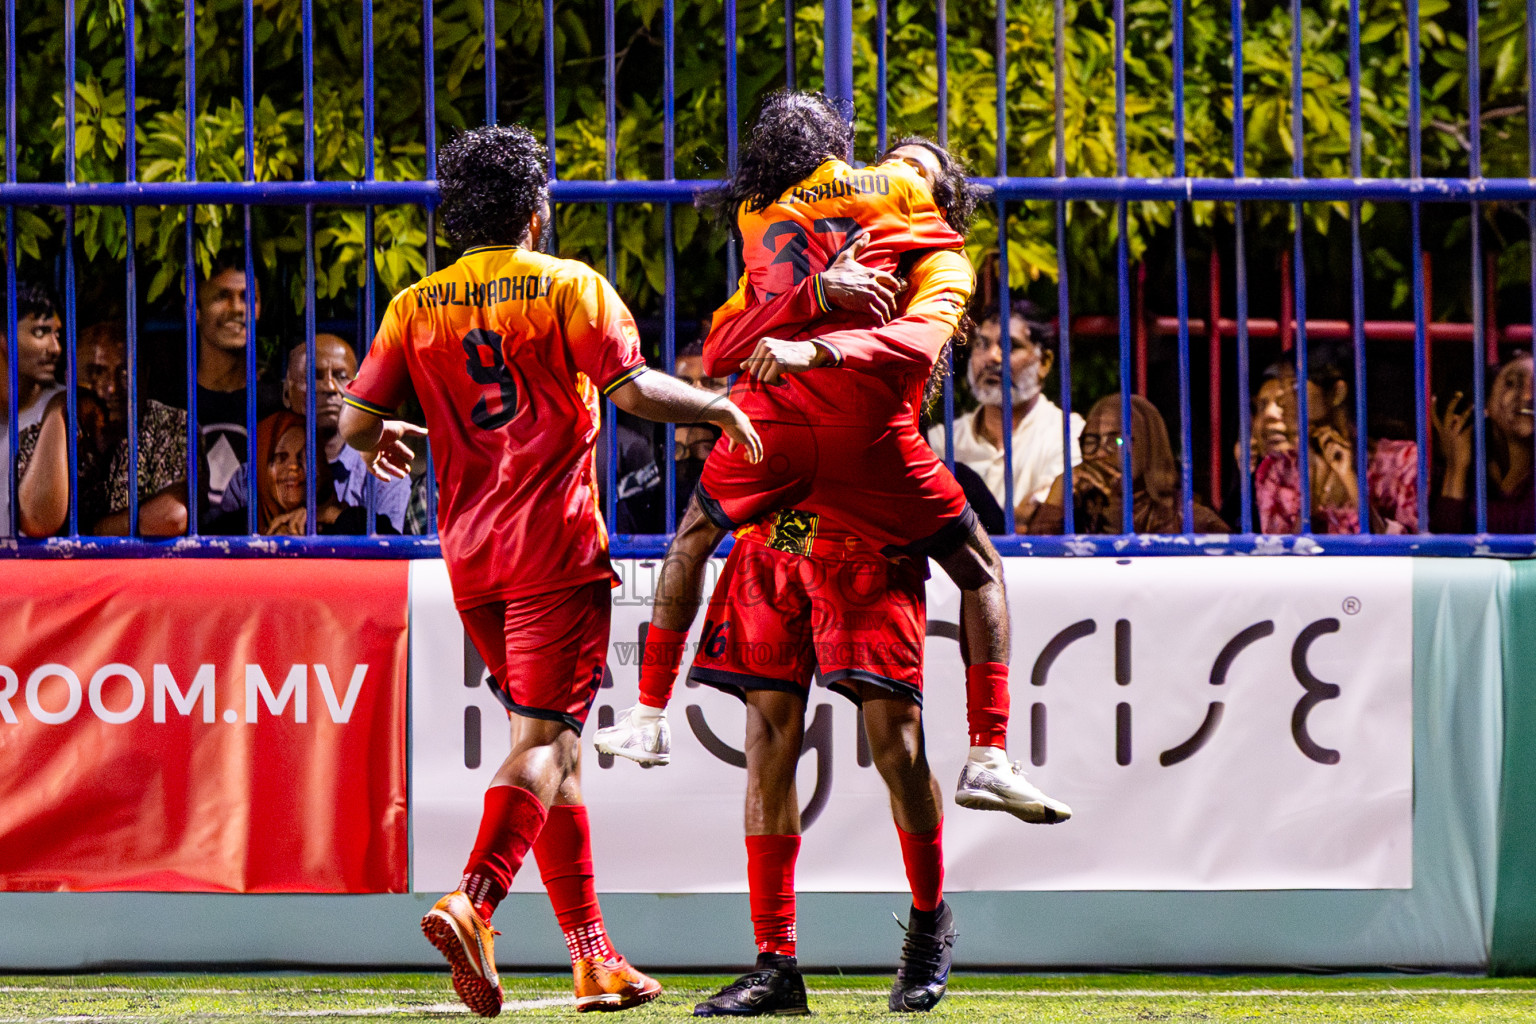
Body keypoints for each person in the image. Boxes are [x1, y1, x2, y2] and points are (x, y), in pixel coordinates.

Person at [337, 124, 761, 1018]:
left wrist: (389, 436)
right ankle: (475, 900)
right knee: (548, 744)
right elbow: (635, 391)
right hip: (555, 554)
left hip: (471, 559)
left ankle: (594, 958)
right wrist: (717, 405)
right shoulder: (571, 286)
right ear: (536, 212)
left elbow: (354, 424)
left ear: (458, 218)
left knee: (554, 752)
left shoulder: (415, 305)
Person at [596, 98, 1068, 825]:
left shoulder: (913, 255)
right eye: (894, 160)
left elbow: (894, 342)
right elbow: (723, 349)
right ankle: (988, 755)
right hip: (815, 505)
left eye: (916, 167)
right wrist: (815, 295)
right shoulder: (882, 238)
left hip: (831, 506)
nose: (897, 170)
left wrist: (813, 336)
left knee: (887, 747)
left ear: (935, 200)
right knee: (791, 742)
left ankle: (651, 711)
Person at [689, 512, 954, 1016]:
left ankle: (929, 918)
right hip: (777, 535)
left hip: (865, 537)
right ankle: (776, 963)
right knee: (766, 740)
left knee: (898, 749)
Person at [220, 335, 409, 533]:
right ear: (287, 394)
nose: (330, 387)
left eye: (341, 376)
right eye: (314, 377)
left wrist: (329, 516)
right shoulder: (248, 478)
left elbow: (389, 549)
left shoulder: (384, 475)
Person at [927, 298, 1083, 529]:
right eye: (982, 344)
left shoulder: (1069, 435)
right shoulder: (941, 441)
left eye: (1010, 346)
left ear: (1044, 362)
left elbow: (1045, 524)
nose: (992, 356)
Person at [1252, 359, 1418, 534]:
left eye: (1295, 386)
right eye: (1282, 387)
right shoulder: (1277, 470)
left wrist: (1352, 485)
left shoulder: (1401, 461)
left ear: (1337, 393)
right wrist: (1309, 504)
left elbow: (1410, 547)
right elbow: (1278, 550)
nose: (1283, 402)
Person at [1028, 394, 1228, 534]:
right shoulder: (1075, 513)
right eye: (1090, 441)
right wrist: (1056, 498)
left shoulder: (1189, 518)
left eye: (1117, 441)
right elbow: (1036, 569)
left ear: (1149, 447)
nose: (1099, 453)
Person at [78, 322, 190, 537]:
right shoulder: (55, 427)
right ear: (70, 377)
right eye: (98, 372)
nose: (113, 388)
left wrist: (85, 536)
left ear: (145, 374)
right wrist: (56, 411)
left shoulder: (171, 424)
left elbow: (171, 516)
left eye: (125, 372)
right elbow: (35, 519)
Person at [1432, 351, 1535, 533]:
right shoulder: (1469, 473)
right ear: (1485, 404)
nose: (1528, 396)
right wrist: (1456, 469)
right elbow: (1445, 544)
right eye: (1511, 383)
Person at [194, 260, 264, 519]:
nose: (237, 308)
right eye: (222, 297)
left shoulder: (276, 401)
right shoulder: (171, 401)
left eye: (248, 297)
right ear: (195, 309)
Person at [0, 281, 70, 538]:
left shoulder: (65, 407)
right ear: (3, 338)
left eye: (57, 335)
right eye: (40, 332)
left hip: (30, 563)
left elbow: (43, 520)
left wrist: (58, 409)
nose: (55, 349)